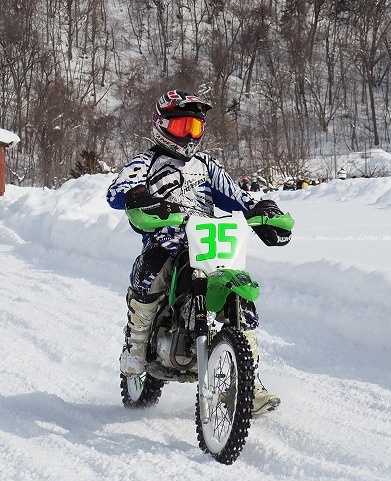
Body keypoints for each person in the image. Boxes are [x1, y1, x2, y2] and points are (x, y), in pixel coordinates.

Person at [106, 90, 291, 416]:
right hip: (168, 240)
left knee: (240, 292)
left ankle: (250, 382)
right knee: (151, 267)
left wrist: (260, 210)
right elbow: (118, 191)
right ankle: (136, 346)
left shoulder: (205, 165)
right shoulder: (146, 162)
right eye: (182, 127)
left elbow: (236, 195)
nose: (189, 136)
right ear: (162, 126)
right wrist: (136, 196)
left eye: (195, 128)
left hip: (208, 244)